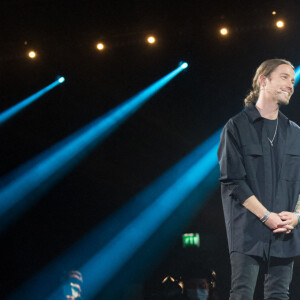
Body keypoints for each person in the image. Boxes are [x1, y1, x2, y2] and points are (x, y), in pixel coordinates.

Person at [217, 58, 300, 300]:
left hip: (285, 227)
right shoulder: (236, 127)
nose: (291, 84)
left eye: (293, 80)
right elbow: (232, 180)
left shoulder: (295, 132)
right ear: (263, 80)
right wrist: (266, 215)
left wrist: (297, 215)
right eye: (284, 77)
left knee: (279, 294)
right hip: (248, 227)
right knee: (242, 293)